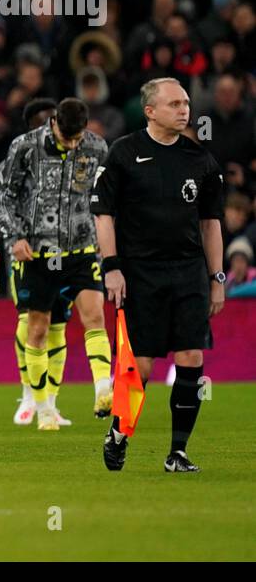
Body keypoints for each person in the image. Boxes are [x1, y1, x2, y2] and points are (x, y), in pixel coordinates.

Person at [92, 78, 225, 473]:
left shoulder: (199, 159)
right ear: (150, 111)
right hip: (140, 273)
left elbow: (210, 224)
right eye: (173, 104)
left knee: (191, 355)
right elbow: (103, 215)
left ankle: (178, 452)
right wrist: (112, 268)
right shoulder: (124, 153)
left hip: (187, 272)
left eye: (185, 103)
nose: (184, 110)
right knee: (142, 365)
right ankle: (119, 432)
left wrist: (216, 278)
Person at [0, 98, 112, 431]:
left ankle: (104, 388)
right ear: (54, 122)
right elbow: (1, 193)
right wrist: (14, 236)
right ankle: (40, 405)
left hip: (81, 249)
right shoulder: (26, 146)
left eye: (77, 138)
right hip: (37, 252)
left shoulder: (97, 148)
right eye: (66, 137)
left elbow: (109, 195)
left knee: (94, 316)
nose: (72, 144)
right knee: (38, 329)